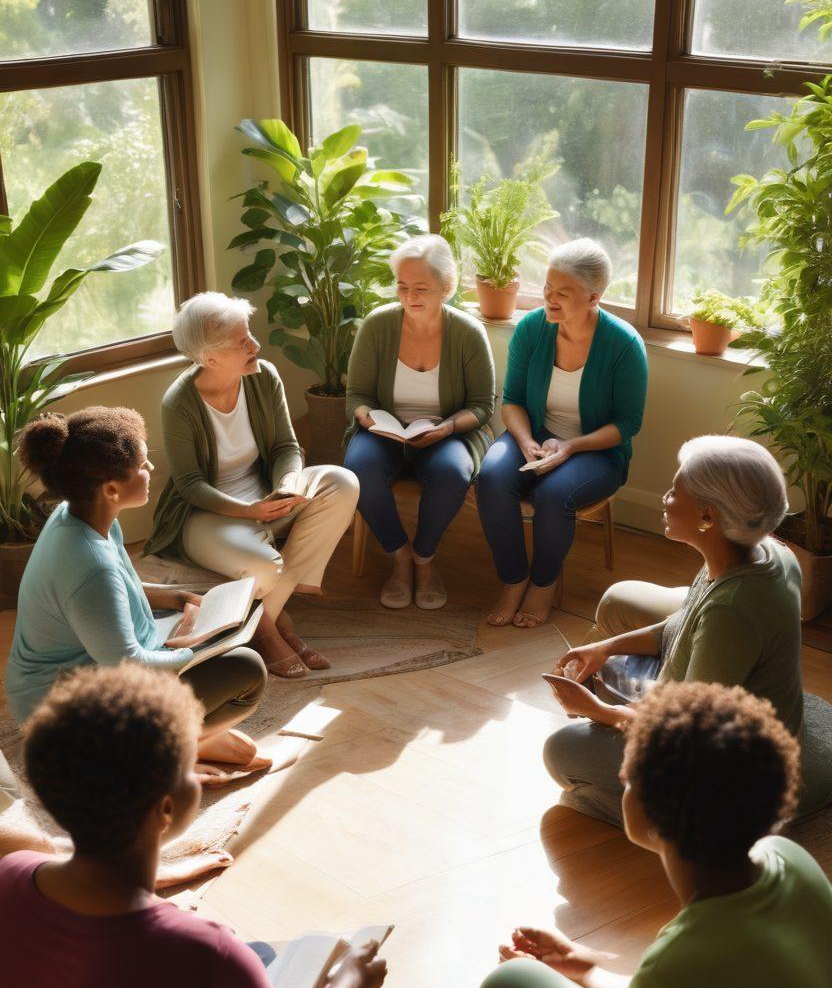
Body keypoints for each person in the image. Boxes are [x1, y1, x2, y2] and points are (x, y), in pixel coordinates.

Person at [0, 662, 392, 988]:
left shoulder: (14, 874)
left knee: (258, 958)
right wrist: (350, 980)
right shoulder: (192, 949)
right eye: (190, 766)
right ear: (166, 810)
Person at [458, 681, 832, 988]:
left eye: (628, 775)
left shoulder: (682, 964)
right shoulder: (790, 861)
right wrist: (584, 969)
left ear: (646, 810)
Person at [542, 433, 832, 828]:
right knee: (617, 603)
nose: (664, 497)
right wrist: (605, 649)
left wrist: (598, 711)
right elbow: (680, 624)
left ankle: (685, 823)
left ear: (707, 517)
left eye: (674, 492)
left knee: (561, 753)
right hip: (722, 699)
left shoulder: (732, 613)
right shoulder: (755, 549)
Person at [4, 406, 268, 782]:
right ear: (111, 489)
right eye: (143, 465)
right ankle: (154, 757)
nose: (151, 471)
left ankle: (174, 740)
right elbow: (128, 664)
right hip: (65, 717)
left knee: (205, 640)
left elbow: (116, 590)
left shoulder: (81, 516)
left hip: (75, 679)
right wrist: (193, 651)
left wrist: (176, 597)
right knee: (246, 670)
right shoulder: (89, 563)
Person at [145, 291, 359, 677]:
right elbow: (190, 484)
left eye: (250, 335)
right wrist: (248, 511)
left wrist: (289, 484)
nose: (255, 345)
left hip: (266, 495)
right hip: (207, 513)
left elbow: (285, 446)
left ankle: (265, 624)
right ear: (209, 358)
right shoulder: (178, 403)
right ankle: (270, 630)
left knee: (342, 482)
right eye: (242, 342)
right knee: (263, 569)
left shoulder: (264, 376)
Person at [476, 239, 647, 629]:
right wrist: (525, 442)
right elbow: (513, 400)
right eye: (548, 289)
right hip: (533, 436)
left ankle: (543, 585)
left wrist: (570, 447)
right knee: (490, 478)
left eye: (562, 294)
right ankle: (514, 578)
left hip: (598, 452)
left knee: (553, 494)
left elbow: (626, 425)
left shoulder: (624, 344)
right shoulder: (532, 328)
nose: (549, 300)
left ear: (593, 297)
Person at [344, 234, 496, 609]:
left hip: (445, 433)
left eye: (422, 288)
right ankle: (400, 557)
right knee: (358, 467)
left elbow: (481, 406)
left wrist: (446, 428)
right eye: (402, 286)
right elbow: (358, 394)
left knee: (453, 472)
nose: (410, 296)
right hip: (384, 432)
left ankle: (425, 559)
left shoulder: (468, 332)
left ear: (447, 287)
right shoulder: (377, 326)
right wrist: (365, 416)